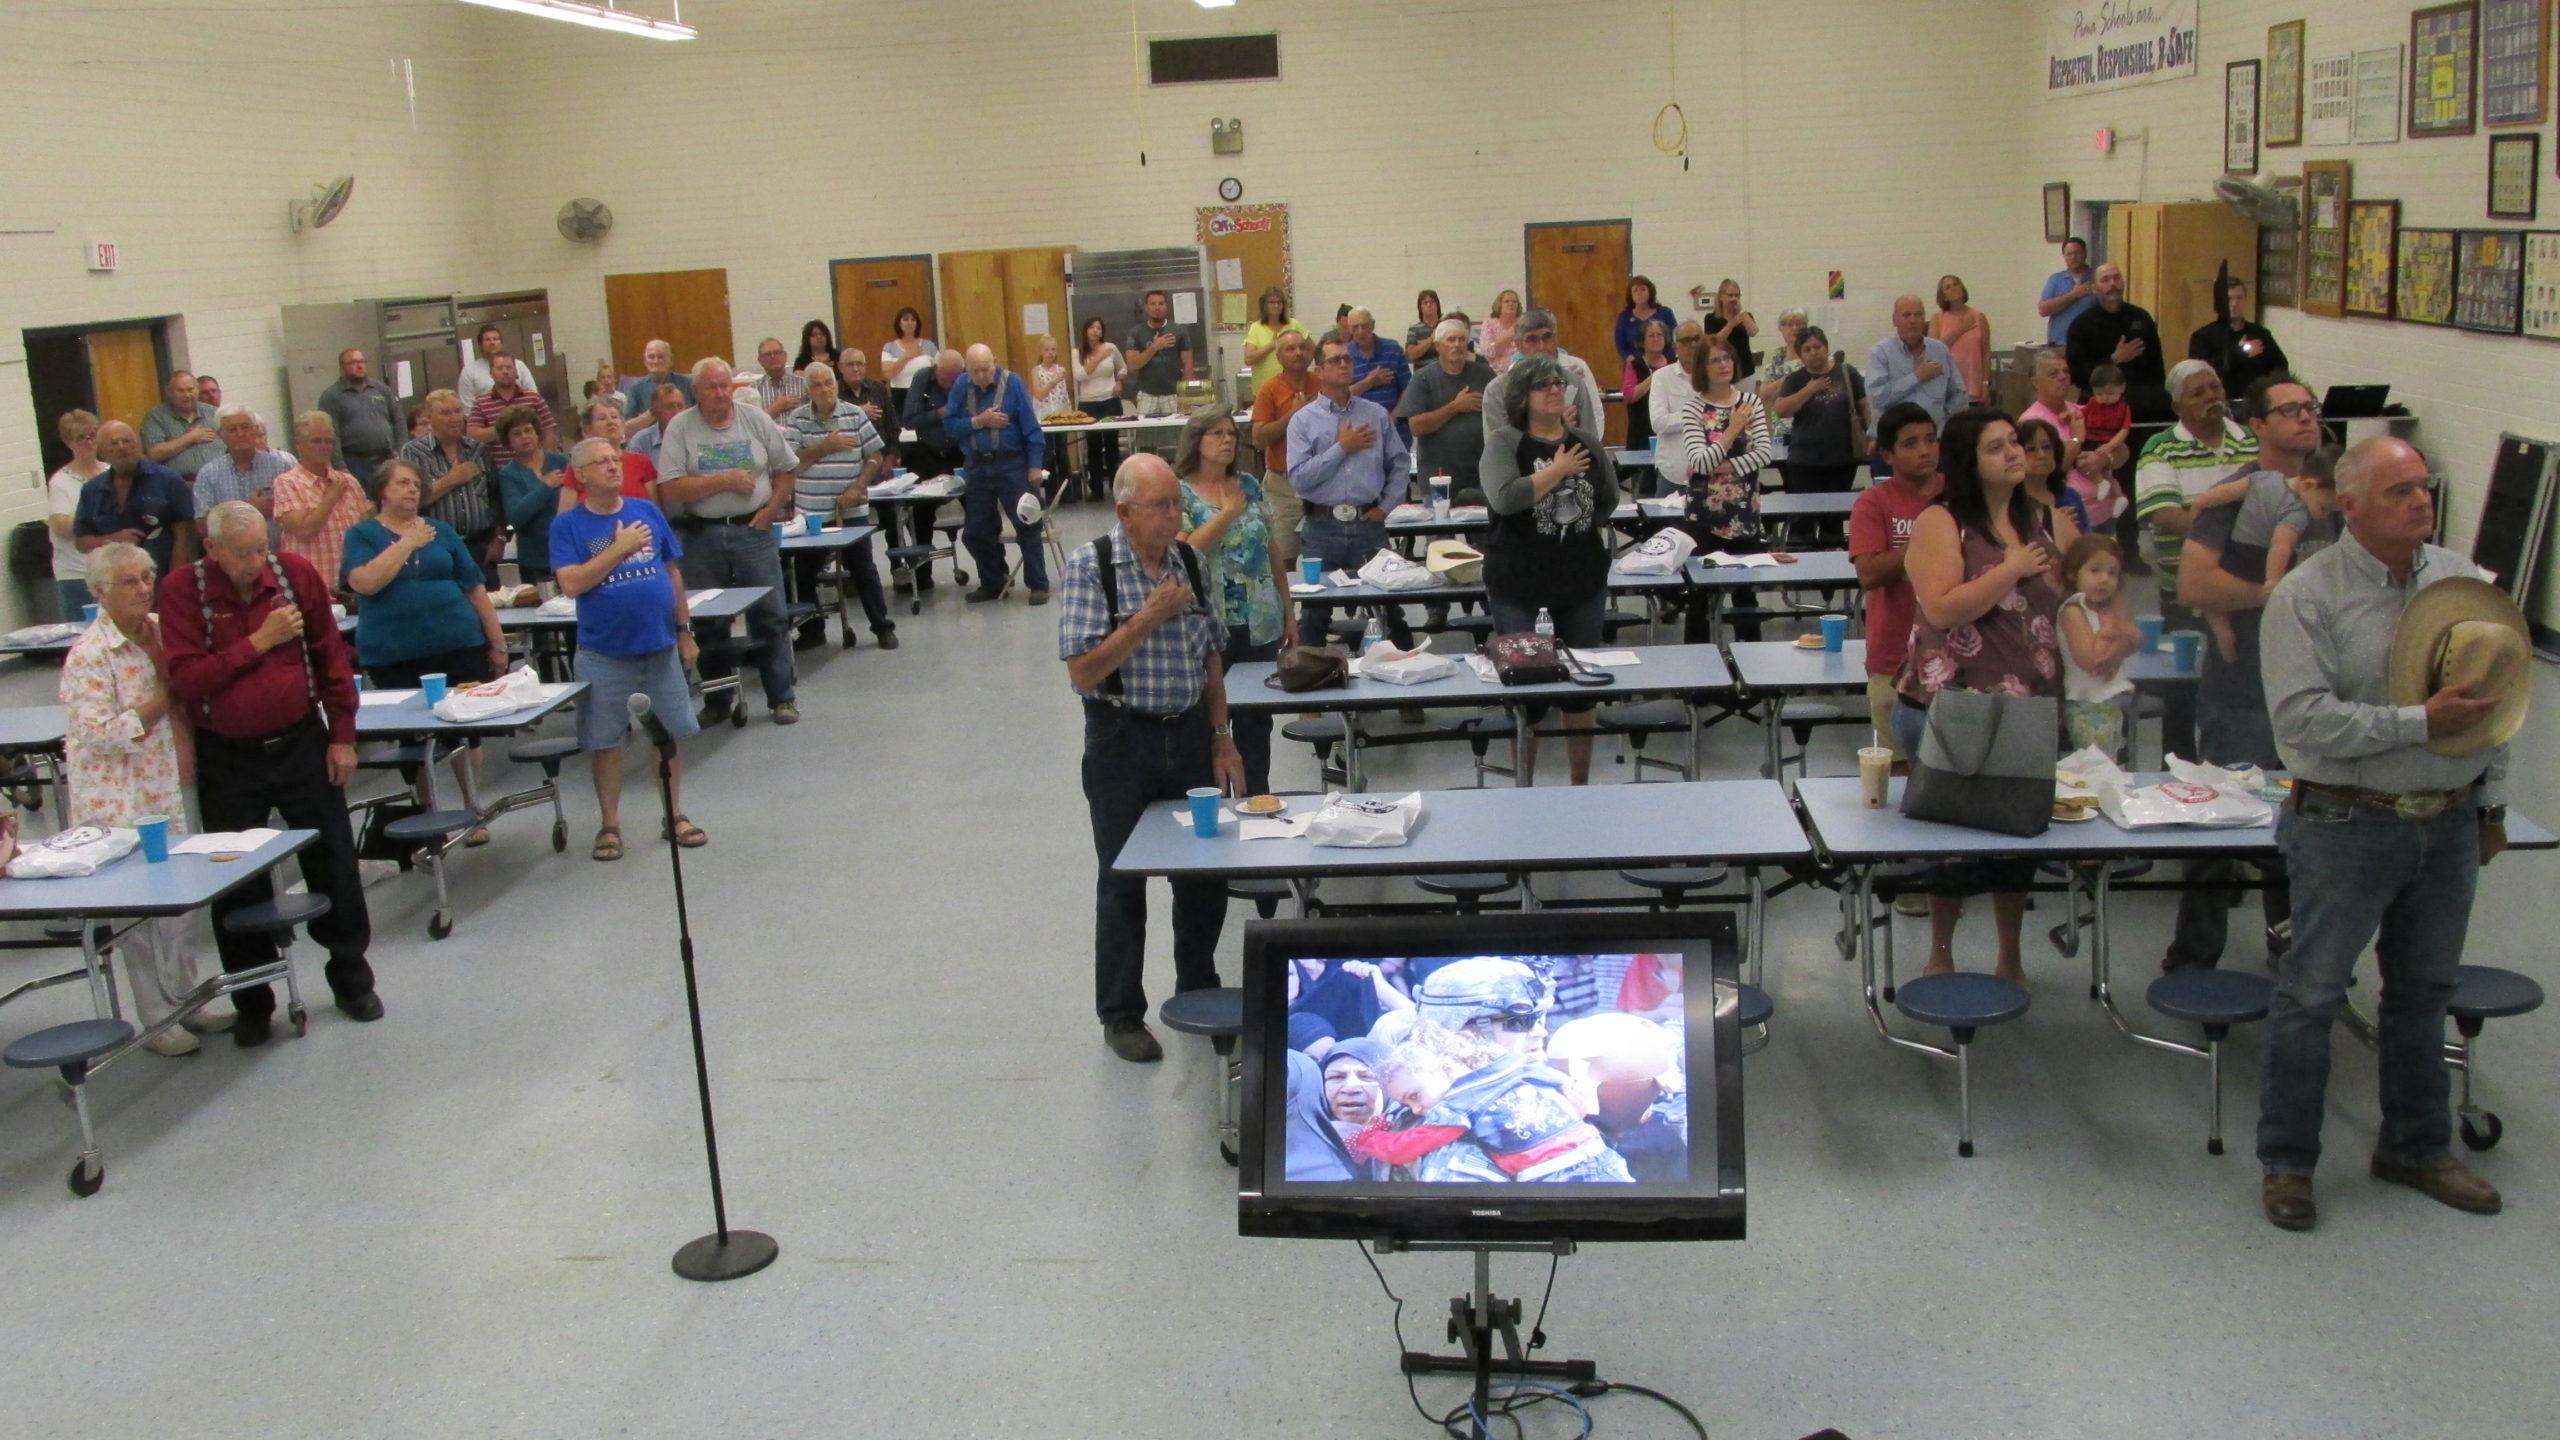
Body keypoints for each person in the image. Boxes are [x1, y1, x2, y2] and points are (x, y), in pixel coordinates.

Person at [2254, 436, 2514, 1232]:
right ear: (2350, 503)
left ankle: (2415, 1146)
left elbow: (2499, 696)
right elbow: (2301, 722)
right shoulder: (2307, 596)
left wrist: (2493, 803)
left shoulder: (2463, 581)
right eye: (2399, 491)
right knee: (2313, 993)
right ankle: (2290, 1163)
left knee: (2423, 993)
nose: (2420, 500)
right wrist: (2418, 723)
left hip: (2448, 822)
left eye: (2423, 487)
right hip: (2344, 822)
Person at [159, 499, 380, 1047]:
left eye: (263, 546)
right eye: (244, 553)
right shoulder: (184, 592)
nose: (258, 560)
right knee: (236, 876)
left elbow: (331, 657)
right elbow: (188, 680)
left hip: (302, 741)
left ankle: (352, 980)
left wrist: (343, 735)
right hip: (227, 754)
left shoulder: (293, 573)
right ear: (211, 550)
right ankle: (253, 1000)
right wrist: (258, 642)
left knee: (332, 859)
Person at [1060, 454, 1246, 1062]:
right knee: (1122, 879)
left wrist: (1223, 737)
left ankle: (1198, 987)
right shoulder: (1092, 567)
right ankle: (1121, 1014)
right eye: (1161, 506)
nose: (1175, 515)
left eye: (1177, 504)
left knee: (1203, 872)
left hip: (1189, 735)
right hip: (1121, 741)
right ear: (1124, 512)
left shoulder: (1191, 561)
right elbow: (1083, 671)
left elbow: (1212, 655)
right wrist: (1147, 617)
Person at [1895, 409, 2076, 987]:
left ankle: (2010, 955)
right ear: (1970, 462)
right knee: (1953, 845)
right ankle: (1941, 951)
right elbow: (1943, 607)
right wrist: (2010, 568)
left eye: (2015, 443)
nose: (2014, 453)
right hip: (1953, 706)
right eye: (1997, 447)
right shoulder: (1941, 522)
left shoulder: (2039, 517)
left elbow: (2068, 594)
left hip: (2027, 706)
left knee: (2015, 843)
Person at [2161, 377, 2332, 976]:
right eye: (2289, 410)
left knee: (2306, 833)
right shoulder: (2238, 497)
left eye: (2311, 408)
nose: (2305, 418)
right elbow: (2195, 584)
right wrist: (2277, 597)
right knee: (2222, 826)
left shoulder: (2336, 496)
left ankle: (2295, 955)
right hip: (2243, 691)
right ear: (2257, 425)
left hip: (2320, 695)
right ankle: (2193, 960)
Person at [62, 543, 215, 1055]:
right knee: (140, 914)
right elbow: (101, 731)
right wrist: (165, 699)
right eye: (128, 581)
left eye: (146, 576)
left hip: (175, 779)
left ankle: (189, 997)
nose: (142, 588)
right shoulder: (89, 655)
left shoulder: (163, 628)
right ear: (99, 592)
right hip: (121, 798)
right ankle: (156, 1019)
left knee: (183, 899)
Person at [550, 437, 703, 861]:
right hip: (604, 653)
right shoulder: (568, 526)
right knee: (606, 742)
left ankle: (674, 816)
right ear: (580, 475)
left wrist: (685, 631)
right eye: (600, 462)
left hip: (659, 647)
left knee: (668, 736)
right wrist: (618, 550)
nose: (613, 467)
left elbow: (672, 573)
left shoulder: (646, 512)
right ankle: (610, 825)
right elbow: (571, 583)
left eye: (615, 459)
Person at [342, 459, 510, 842]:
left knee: (465, 730)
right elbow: (364, 583)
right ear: (382, 491)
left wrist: (497, 642)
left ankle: (472, 809)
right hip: (395, 652)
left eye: (416, 484)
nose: (412, 490)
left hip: (458, 642)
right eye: (403, 483)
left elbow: (475, 588)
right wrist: (408, 543)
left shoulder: (442, 530)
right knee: (415, 735)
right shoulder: (362, 535)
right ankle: (429, 813)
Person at [1352, 960, 1633, 1184]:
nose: (1540, 1031)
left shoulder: (1519, 1070)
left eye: (1539, 1018)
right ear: (1464, 1028)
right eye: (1521, 1020)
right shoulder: (1448, 1112)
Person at [1479, 354, 1622, 785]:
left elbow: (1608, 500)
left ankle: (1581, 784)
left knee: (1581, 691)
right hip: (1519, 584)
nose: (1556, 390)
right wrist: (1558, 471)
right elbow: (1505, 498)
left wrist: (1574, 527)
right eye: (1544, 385)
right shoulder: (1505, 443)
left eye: (1558, 383)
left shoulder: (1585, 442)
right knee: (1528, 689)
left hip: (1580, 581)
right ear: (1524, 396)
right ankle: (1526, 784)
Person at [656, 357, 802, 725]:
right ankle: (717, 699)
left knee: (769, 616)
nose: (722, 393)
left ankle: (781, 697)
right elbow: (671, 486)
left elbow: (787, 469)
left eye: (726, 385)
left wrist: (769, 510)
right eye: (713, 387)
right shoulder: (681, 428)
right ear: (696, 391)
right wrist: (721, 481)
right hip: (701, 534)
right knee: (707, 619)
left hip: (753, 531)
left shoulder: (754, 419)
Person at [2134, 359, 2256, 760]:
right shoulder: (2160, 449)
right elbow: (2165, 514)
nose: (2211, 397)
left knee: (2242, 702)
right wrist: (2231, 542)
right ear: (2177, 407)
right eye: (2198, 392)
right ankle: (2181, 779)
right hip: (2187, 598)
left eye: (2215, 388)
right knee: (2185, 698)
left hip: (2249, 597)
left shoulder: (2251, 442)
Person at [1175, 408, 1293, 794]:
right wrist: (1226, 515)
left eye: (1231, 434)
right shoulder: (1181, 493)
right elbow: (1186, 551)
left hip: (1260, 621)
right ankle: (1215, 795)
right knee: (1212, 716)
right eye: (1215, 434)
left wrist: (1288, 611)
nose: (1227, 440)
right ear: (1196, 441)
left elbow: (1272, 548)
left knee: (1256, 720)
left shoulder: (1248, 485)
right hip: (1209, 623)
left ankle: (1257, 795)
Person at [1288, 337, 1414, 649]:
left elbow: (1399, 463)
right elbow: (1300, 479)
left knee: (1388, 608)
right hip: (1321, 527)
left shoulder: (1374, 414)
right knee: (1315, 612)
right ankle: (1309, 680)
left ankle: (1411, 683)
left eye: (1347, 358)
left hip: (1368, 524)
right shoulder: (1303, 421)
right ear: (1319, 370)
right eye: (1335, 360)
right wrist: (1342, 448)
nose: (1344, 364)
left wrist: (1386, 506)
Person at [1848, 404, 1942, 761]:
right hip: (1892, 660)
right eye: (1911, 443)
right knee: (1896, 772)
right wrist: (1927, 539)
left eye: (1931, 440)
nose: (1925, 450)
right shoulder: (1873, 503)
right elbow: (1869, 574)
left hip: (1951, 659)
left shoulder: (1958, 495)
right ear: (1887, 454)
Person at [784, 362, 898, 651]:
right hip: (811, 514)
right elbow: (793, 465)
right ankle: (812, 630)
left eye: (829, 383)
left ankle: (882, 626)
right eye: (818, 385)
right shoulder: (797, 420)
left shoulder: (855, 413)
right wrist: (827, 445)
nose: (825, 389)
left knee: (864, 570)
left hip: (850, 510)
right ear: (809, 389)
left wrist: (859, 486)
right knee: (802, 573)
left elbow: (874, 455)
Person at [1678, 337, 1776, 642]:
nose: (1723, 365)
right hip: (1704, 515)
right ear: (1702, 369)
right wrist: (1732, 430)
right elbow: (1698, 460)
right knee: (1700, 596)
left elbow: (1765, 453)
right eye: (1715, 360)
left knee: (1746, 596)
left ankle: (1752, 668)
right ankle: (1698, 674)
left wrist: (1725, 466)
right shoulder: (1693, 409)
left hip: (1743, 511)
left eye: (1727, 359)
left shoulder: (1752, 403)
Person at [945, 343, 1051, 605]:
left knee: (1027, 523)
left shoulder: (1012, 383)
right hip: (977, 467)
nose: (982, 375)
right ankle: (993, 581)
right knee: (975, 532)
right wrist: (978, 421)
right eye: (976, 371)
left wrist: (1034, 466)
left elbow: (1032, 429)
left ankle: (1038, 583)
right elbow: (949, 426)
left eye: (986, 368)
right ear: (966, 370)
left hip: (1011, 465)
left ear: (995, 361)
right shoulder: (961, 387)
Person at [397, 389, 503, 588]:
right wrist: (450, 480)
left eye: (457, 411)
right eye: (445, 413)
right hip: (435, 546)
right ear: (429, 417)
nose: (454, 418)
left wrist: (500, 537)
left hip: (481, 547)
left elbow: (496, 498)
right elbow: (408, 503)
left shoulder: (478, 450)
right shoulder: (412, 453)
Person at [76, 421, 198, 573]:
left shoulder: (168, 480)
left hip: (162, 576)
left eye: (127, 441)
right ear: (101, 452)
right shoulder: (91, 490)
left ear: (139, 445)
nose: (121, 447)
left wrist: (175, 581)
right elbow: (81, 541)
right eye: (113, 444)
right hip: (113, 581)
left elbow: (186, 535)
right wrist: (111, 540)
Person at [273, 411, 372, 598]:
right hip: (312, 587)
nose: (324, 447)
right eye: (316, 441)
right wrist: (330, 497)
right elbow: (303, 531)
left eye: (329, 441)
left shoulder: (349, 482)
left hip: (352, 584)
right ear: (299, 445)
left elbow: (366, 530)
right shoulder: (287, 483)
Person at [2057, 534, 2138, 755]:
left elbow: (2134, 638)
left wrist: (2118, 646)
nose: (2104, 579)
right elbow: (2091, 661)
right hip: (2087, 705)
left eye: (2112, 573)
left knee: (2112, 765)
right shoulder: (2073, 611)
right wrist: (2111, 632)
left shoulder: (2107, 607)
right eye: (2095, 570)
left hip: (2111, 700)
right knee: (2095, 768)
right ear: (2073, 574)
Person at [1398, 318, 1497, 499]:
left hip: (1482, 475)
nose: (1457, 345)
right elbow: (1416, 426)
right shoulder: (1422, 378)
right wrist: (1455, 407)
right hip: (1439, 477)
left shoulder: (1485, 374)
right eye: (1450, 340)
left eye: (1461, 339)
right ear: (1437, 346)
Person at [1250, 328, 1320, 572]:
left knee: (1324, 556)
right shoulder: (1269, 390)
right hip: (1282, 485)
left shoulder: (1322, 384)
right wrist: (1293, 414)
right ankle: (1287, 609)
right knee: (1283, 557)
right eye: (1291, 348)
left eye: (1302, 347)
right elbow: (1258, 438)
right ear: (1279, 357)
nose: (1299, 353)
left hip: (1321, 482)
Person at [1771, 326, 1869, 498]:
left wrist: (1872, 436)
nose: (1813, 352)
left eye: (1817, 347)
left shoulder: (1847, 372)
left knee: (1833, 521)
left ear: (1826, 348)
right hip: (1803, 460)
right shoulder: (1795, 379)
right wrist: (1809, 390)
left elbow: (1865, 407)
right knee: (1802, 520)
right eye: (1807, 349)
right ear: (1801, 355)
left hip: (1842, 459)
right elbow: (1781, 410)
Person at [2065, 262, 2168, 420]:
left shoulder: (2141, 317)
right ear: (2094, 288)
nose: (2112, 284)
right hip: (2099, 408)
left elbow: (2157, 369)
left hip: (2142, 407)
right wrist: (2114, 359)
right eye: (2105, 280)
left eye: (2116, 278)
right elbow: (2076, 374)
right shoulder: (2081, 325)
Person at [1479, 308, 1605, 437]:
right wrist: (1554, 429)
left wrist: (1568, 433)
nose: (1541, 347)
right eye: (1531, 339)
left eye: (1547, 337)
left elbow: (1590, 441)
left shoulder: (1574, 383)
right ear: (1518, 345)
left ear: (1556, 340)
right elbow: (1497, 449)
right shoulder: (1498, 390)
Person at [1868, 295, 1967, 441]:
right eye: (1906, 315)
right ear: (1894, 320)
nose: (1913, 320)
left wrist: (1944, 424)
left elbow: (1959, 394)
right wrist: (1917, 376)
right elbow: (1878, 398)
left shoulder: (1940, 350)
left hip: (1935, 441)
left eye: (1918, 314)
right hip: (1895, 442)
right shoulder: (1881, 352)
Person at [2189, 274, 2291, 408]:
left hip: (2255, 402)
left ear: (2245, 300)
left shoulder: (2260, 334)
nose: (2234, 303)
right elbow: (2202, 372)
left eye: (2239, 297)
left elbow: (2280, 366)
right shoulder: (2203, 336)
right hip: (2220, 404)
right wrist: (2240, 353)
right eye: (2229, 298)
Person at [493, 407, 569, 586]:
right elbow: (516, 517)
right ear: (508, 441)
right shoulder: (508, 474)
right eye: (516, 434)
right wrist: (546, 486)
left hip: (568, 552)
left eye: (528, 430)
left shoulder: (561, 461)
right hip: (535, 560)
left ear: (537, 433)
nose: (524, 437)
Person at [46, 409, 107, 619]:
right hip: (76, 574)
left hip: (110, 570)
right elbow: (61, 526)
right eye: (81, 438)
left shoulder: (111, 472)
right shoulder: (60, 481)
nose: (89, 443)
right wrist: (99, 510)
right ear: (68, 442)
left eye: (92, 435)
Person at [316, 347, 404, 488]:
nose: (359, 366)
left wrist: (401, 450)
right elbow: (331, 434)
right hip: (354, 462)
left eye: (362, 361)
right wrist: (340, 466)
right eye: (352, 363)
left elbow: (398, 420)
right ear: (342, 367)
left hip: (386, 459)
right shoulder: (332, 396)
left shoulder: (381, 389)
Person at [191, 404, 292, 524]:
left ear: (255, 430)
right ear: (220, 435)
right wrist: (249, 509)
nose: (240, 434)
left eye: (245, 427)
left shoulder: (280, 466)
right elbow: (203, 526)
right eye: (232, 429)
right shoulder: (208, 474)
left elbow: (298, 511)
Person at [1072, 317, 1130, 500]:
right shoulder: (1077, 352)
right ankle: (1096, 489)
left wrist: (1119, 382)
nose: (1096, 331)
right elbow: (1080, 375)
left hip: (1110, 401)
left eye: (1099, 328)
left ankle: (1115, 486)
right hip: (1088, 404)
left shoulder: (1111, 348)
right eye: (1092, 327)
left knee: (1112, 445)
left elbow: (1123, 368)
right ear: (1085, 330)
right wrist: (1098, 358)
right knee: (1093, 446)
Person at [1648, 320, 1706, 495]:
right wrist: (1695, 413)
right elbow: (1658, 423)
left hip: (1710, 472)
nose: (1694, 344)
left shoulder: (1716, 375)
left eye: (1698, 339)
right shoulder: (1661, 377)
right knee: (1665, 523)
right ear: (1675, 347)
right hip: (1672, 474)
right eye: (1687, 340)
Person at [1124, 290, 1195, 420]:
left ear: (1166, 306)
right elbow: (1132, 365)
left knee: (1177, 435)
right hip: (1146, 394)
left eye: (1161, 304)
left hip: (1174, 394)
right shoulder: (1135, 332)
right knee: (1145, 436)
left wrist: (1186, 397)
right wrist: (1154, 347)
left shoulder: (1180, 331)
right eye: (1153, 304)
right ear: (1146, 307)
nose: (1157, 308)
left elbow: (1188, 364)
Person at [1341, 308, 1411, 436]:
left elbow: (1409, 389)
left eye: (1364, 326)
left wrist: (1391, 420)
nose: (1360, 331)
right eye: (1355, 327)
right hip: (1361, 433)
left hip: (1397, 430)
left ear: (1373, 325)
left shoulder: (1393, 349)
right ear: (1349, 329)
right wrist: (1369, 382)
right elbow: (1341, 395)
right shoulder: (1345, 355)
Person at [142, 370, 223, 479]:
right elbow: (153, 455)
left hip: (219, 478)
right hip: (180, 483)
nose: (187, 395)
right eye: (181, 391)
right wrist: (190, 438)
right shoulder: (156, 417)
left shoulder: (214, 413)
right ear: (169, 392)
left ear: (197, 390)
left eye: (191, 389)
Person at [466, 353, 556, 450]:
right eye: (500, 368)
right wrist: (505, 428)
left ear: (516, 372)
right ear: (491, 374)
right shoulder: (480, 402)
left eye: (509, 367)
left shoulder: (534, 397)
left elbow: (549, 429)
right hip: (498, 464)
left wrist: (547, 458)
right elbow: (472, 435)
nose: (505, 372)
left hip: (534, 463)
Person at [2015, 416, 2088, 536]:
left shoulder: (2070, 496)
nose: (2041, 455)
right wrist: (2053, 525)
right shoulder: (2009, 502)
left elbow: (2087, 544)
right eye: (2031, 449)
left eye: (2047, 447)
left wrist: (2071, 531)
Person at [576, 397, 659, 502]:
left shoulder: (642, 462)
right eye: (602, 418)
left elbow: (655, 512)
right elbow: (564, 516)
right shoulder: (580, 467)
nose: (610, 422)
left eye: (614, 417)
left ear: (623, 424)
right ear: (588, 429)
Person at [1930, 275, 1992, 405]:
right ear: (1943, 296)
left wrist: (1986, 383)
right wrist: (1961, 328)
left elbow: (1985, 353)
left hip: (1974, 386)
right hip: (1948, 387)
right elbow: (1934, 350)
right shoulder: (1937, 318)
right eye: (1948, 287)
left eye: (1956, 284)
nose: (1953, 288)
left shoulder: (1979, 317)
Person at [1754, 308, 1809, 444]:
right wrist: (1790, 377)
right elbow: (1765, 394)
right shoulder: (1775, 356)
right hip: (1781, 428)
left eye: (1800, 324)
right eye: (1790, 324)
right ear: (1781, 328)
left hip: (1809, 426)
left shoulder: (1812, 353)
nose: (1795, 328)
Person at [1622, 318, 1677, 452]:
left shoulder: (1675, 363)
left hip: (1670, 432)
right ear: (1642, 341)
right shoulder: (1634, 365)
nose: (1656, 338)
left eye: (1660, 335)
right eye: (1651, 335)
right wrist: (1655, 376)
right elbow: (1629, 396)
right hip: (1641, 432)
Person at [1029, 333, 1074, 486]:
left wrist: (1069, 415)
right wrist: (1053, 381)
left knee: (1062, 452)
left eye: (1053, 349)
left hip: (1060, 417)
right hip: (1044, 417)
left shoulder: (1061, 370)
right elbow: (1039, 394)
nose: (1050, 353)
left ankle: (1067, 490)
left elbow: (1064, 395)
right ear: (1041, 352)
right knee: (1047, 453)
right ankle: (1050, 488)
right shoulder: (1036, 371)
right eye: (1047, 350)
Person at [2037, 236, 2099, 345]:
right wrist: (2074, 294)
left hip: (2090, 346)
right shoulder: (2055, 279)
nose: (2073, 257)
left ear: (2085, 254)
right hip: (2059, 345)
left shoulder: (2098, 278)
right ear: (2064, 256)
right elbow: (2043, 310)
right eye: (2069, 254)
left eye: (2077, 253)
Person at [1244, 287, 1305, 392]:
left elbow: (1312, 349)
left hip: (1292, 388)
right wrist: (1272, 345)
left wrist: (1302, 369)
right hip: (1264, 390)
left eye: (1279, 302)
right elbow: (1248, 359)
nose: (1276, 305)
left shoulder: (1293, 324)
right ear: (1264, 305)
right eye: (1272, 302)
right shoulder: (1256, 327)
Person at [618, 339, 695, 415]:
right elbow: (625, 424)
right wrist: (653, 413)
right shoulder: (636, 388)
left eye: (661, 357)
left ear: (671, 359)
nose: (656, 361)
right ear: (645, 360)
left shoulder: (687, 383)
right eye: (651, 357)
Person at [879, 307, 936, 407]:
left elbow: (939, 369)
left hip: (926, 394)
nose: (909, 323)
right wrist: (907, 356)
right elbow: (888, 374)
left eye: (913, 320)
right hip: (901, 396)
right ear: (899, 323)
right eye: (905, 319)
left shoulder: (929, 345)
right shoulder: (889, 347)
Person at [624, 381, 688, 468]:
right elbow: (634, 478)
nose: (677, 412)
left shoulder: (701, 436)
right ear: (655, 412)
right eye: (669, 407)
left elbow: (710, 473)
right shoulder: (640, 441)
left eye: (680, 406)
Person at [1703, 279, 1759, 376]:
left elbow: (1753, 332)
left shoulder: (1745, 316)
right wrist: (1731, 324)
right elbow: (1715, 341)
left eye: (1737, 296)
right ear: (1721, 297)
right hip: (1722, 369)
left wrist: (1742, 313)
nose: (1734, 299)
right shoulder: (1711, 318)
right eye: (1730, 295)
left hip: (1745, 369)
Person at [1613, 275, 1671, 369]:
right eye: (1635, 290)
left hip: (1664, 364)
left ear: (1650, 292)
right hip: (1635, 366)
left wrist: (1667, 359)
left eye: (1643, 289)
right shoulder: (1624, 317)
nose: (1639, 293)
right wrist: (1633, 361)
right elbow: (1620, 344)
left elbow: (1674, 338)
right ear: (1630, 295)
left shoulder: (1665, 313)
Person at [745, 336, 807, 420]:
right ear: (760, 361)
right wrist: (775, 408)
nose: (773, 357)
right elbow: (750, 424)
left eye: (777, 352)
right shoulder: (753, 390)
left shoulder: (804, 385)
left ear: (785, 356)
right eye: (767, 354)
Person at [456, 324, 510, 410]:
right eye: (487, 339)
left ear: (501, 343)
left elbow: (531, 393)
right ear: (480, 345)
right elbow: (467, 408)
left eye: (495, 339)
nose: (492, 342)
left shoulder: (518, 366)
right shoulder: (469, 371)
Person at [1480, 289, 1524, 373]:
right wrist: (1510, 335)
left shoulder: (1524, 323)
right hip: (1496, 372)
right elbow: (1488, 352)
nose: (1511, 304)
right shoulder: (1489, 324)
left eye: (1514, 302)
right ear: (1499, 305)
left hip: (1521, 370)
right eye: (1506, 301)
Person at [1403, 289, 1446, 365]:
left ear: (1437, 305)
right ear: (1420, 307)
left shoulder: (1446, 325)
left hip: (1445, 373)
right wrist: (1431, 339)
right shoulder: (1413, 329)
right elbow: (1411, 355)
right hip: (1422, 375)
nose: (1429, 305)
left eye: (1432, 302)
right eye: (1425, 302)